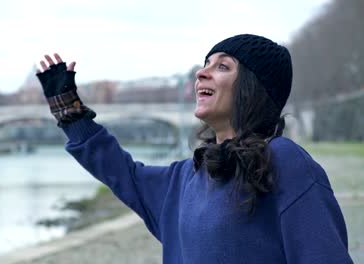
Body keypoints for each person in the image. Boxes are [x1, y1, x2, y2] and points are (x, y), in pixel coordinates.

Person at [35, 34, 354, 263]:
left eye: (223, 67)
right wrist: (70, 114)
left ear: (253, 88)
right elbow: (121, 172)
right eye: (205, 64)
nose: (202, 72)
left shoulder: (284, 161)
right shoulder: (185, 178)